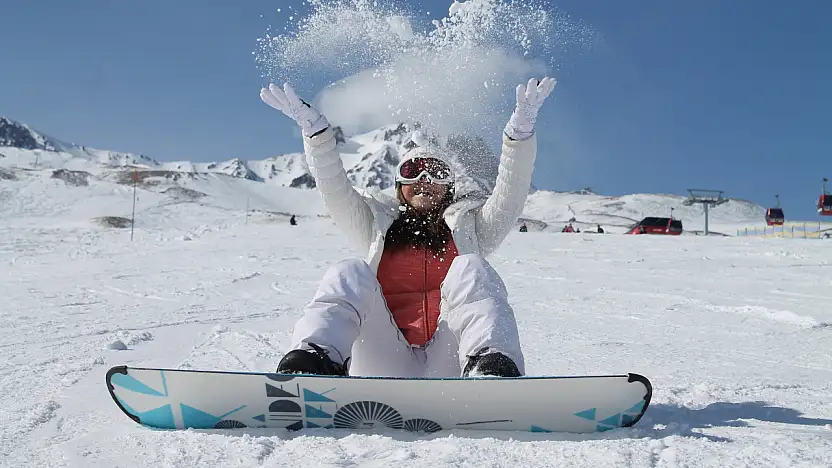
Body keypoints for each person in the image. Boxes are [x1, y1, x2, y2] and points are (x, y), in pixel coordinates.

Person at [259, 77, 556, 378]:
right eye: (413, 172)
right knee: (348, 271)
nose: (425, 180)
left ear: (449, 189)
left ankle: (491, 368)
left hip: (449, 361)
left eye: (437, 173)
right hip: (384, 358)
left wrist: (518, 136)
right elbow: (334, 188)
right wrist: (317, 135)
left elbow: (510, 193)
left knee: (472, 267)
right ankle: (314, 364)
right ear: (400, 187)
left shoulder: (472, 230)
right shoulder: (375, 227)